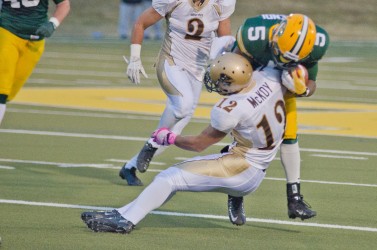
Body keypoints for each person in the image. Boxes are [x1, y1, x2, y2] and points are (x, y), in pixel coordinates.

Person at [81, 52, 288, 234]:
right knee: (174, 179)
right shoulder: (269, 77)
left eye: (220, 79)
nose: (215, 81)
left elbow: (198, 144)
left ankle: (126, 220)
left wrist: (170, 137)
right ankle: (122, 213)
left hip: (243, 167)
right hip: (256, 165)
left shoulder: (230, 108)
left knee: (169, 178)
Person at [209, 13, 330, 224]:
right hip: (254, 79)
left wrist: (303, 90)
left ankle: (294, 199)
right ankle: (236, 193)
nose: (284, 61)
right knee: (251, 141)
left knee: (290, 134)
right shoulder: (254, 36)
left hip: (283, 84)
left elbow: (312, 82)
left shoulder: (317, 42)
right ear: (275, 36)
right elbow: (236, 70)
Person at [119, 0, 236, 186]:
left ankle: (130, 167)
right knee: (182, 107)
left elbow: (224, 41)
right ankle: (153, 142)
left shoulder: (221, 3)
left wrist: (224, 67)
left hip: (198, 70)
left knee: (176, 130)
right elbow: (140, 23)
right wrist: (134, 58)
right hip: (172, 62)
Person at [0, 0, 70, 126]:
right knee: (1, 90)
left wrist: (52, 24)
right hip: (7, 32)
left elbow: (64, 4)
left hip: (36, 40)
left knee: (10, 92)